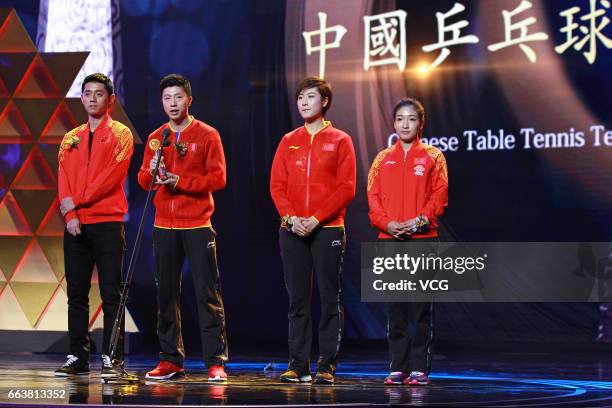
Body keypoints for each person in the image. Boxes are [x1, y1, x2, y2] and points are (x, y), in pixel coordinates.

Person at [139, 74, 228, 382]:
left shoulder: (207, 134)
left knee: (206, 292)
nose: (172, 103)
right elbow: (141, 179)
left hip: (198, 223)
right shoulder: (156, 137)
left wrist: (181, 182)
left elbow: (218, 179)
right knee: (165, 293)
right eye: (167, 98)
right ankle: (170, 360)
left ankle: (215, 361)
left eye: (178, 97)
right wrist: (151, 172)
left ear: (189, 100)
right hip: (163, 224)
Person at [270, 76, 356, 384]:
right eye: (300, 98)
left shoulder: (340, 140)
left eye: (310, 97)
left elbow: (346, 188)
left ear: (325, 102)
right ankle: (298, 365)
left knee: (330, 298)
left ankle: (326, 365)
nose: (304, 102)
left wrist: (316, 218)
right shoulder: (288, 140)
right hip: (292, 229)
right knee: (298, 299)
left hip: (328, 228)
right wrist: (291, 218)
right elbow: (277, 185)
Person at [55, 73, 134, 377]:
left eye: (98, 94)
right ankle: (77, 356)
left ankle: (112, 358)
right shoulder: (70, 136)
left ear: (110, 99)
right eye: (87, 93)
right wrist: (69, 212)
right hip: (75, 226)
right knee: (76, 294)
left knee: (111, 294)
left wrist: (77, 202)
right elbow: (63, 174)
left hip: (107, 224)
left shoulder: (121, 134)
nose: (92, 98)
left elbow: (111, 178)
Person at [367, 97, 448, 386]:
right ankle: (397, 366)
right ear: (393, 123)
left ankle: (419, 369)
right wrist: (388, 224)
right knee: (395, 307)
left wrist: (418, 222)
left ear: (420, 124)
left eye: (411, 119)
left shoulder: (433, 157)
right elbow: (372, 199)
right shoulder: (381, 158)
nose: (405, 124)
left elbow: (439, 196)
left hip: (423, 239)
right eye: (400, 118)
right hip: (389, 239)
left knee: (420, 307)